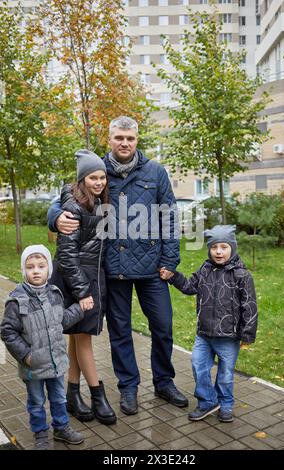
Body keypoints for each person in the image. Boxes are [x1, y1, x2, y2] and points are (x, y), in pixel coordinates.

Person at [48, 116, 188, 416]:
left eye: (130, 138)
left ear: (137, 140)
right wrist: (54, 217)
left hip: (153, 268)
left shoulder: (155, 171)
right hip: (113, 267)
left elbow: (170, 217)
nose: (125, 143)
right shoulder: (97, 171)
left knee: (162, 327)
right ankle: (128, 387)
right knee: (120, 331)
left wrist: (170, 260)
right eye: (119, 138)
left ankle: (164, 381)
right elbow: (65, 195)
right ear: (109, 139)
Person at [160, 225, 258, 423]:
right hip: (204, 333)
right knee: (198, 366)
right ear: (209, 249)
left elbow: (250, 305)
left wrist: (247, 334)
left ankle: (226, 404)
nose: (219, 252)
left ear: (233, 248)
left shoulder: (242, 275)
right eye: (214, 247)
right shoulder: (205, 269)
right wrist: (173, 277)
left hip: (229, 336)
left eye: (224, 247)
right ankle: (207, 401)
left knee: (225, 374)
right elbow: (189, 286)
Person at [50, 149, 116, 425]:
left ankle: (72, 396)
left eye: (102, 177)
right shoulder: (74, 208)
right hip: (76, 283)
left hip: (87, 280)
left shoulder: (98, 204)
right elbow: (67, 256)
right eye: (92, 178)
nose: (99, 182)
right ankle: (98, 395)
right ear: (81, 180)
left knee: (77, 337)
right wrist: (82, 292)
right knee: (84, 339)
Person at [0, 245, 85, 450]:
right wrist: (26, 355)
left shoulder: (55, 294)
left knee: (58, 398)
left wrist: (79, 308)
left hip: (56, 362)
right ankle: (40, 434)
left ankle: (61, 428)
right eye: (30, 267)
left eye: (41, 266)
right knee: (36, 403)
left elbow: (61, 321)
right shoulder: (17, 300)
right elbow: (7, 332)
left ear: (49, 269)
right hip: (33, 366)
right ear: (24, 270)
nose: (36, 270)